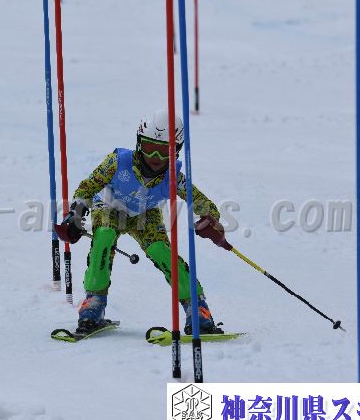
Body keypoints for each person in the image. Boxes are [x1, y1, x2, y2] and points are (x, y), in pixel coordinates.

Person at [54, 110, 231, 335]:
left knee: (161, 250)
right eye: (149, 147)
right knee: (104, 236)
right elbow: (88, 187)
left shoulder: (173, 177)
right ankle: (94, 301)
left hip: (145, 214)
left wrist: (210, 219)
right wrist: (76, 214)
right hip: (109, 207)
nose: (155, 157)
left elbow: (200, 201)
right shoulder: (118, 162)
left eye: (163, 151)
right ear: (139, 143)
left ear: (176, 150)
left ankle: (196, 307)